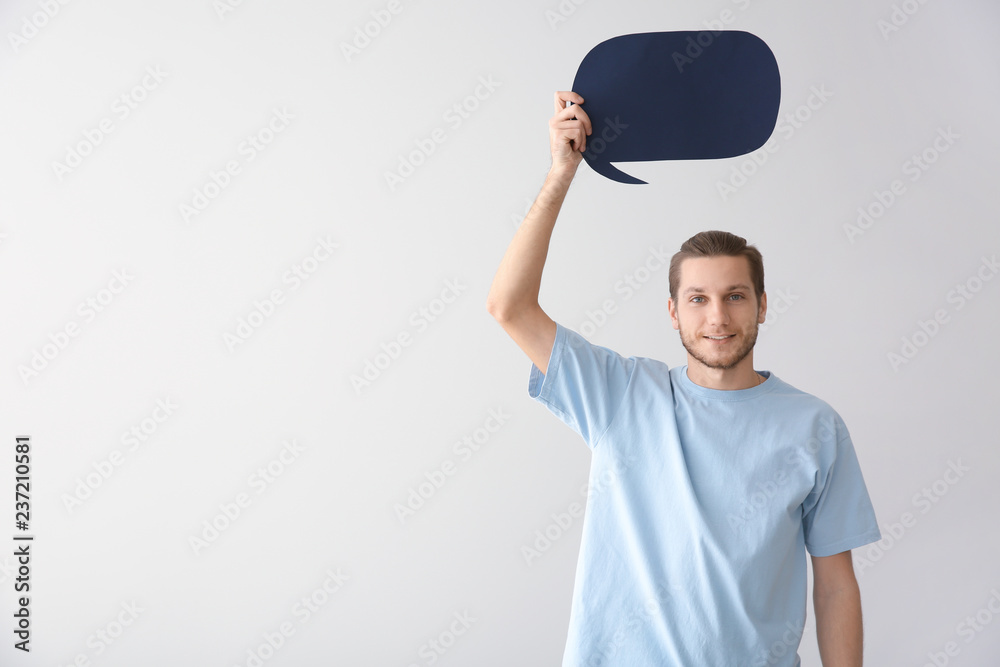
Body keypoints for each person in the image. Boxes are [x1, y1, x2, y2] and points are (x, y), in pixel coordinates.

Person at [486, 91, 882, 666]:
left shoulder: (815, 426)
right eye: (697, 298)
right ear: (673, 312)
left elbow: (835, 585)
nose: (717, 317)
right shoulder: (619, 395)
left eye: (735, 296)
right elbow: (509, 306)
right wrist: (560, 174)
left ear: (763, 306)